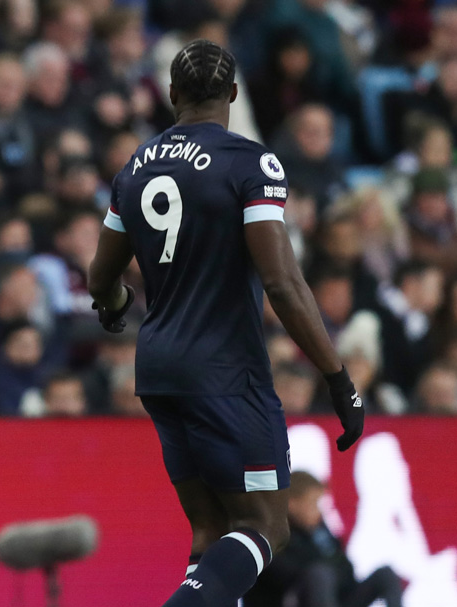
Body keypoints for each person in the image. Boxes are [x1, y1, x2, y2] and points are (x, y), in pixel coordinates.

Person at [87, 40, 364, 607]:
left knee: (212, 535)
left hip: (159, 367)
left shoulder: (133, 168)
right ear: (234, 95)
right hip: (226, 371)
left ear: (171, 95)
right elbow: (283, 283)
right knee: (267, 527)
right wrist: (338, 378)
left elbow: (101, 278)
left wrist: (115, 303)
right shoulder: (250, 164)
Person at [246, 471, 403, 607]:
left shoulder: (319, 528)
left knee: (385, 574)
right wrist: (326, 569)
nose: (318, 511)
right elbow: (291, 575)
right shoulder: (272, 534)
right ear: (292, 504)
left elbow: (346, 567)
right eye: (313, 504)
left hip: (334, 598)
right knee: (319, 575)